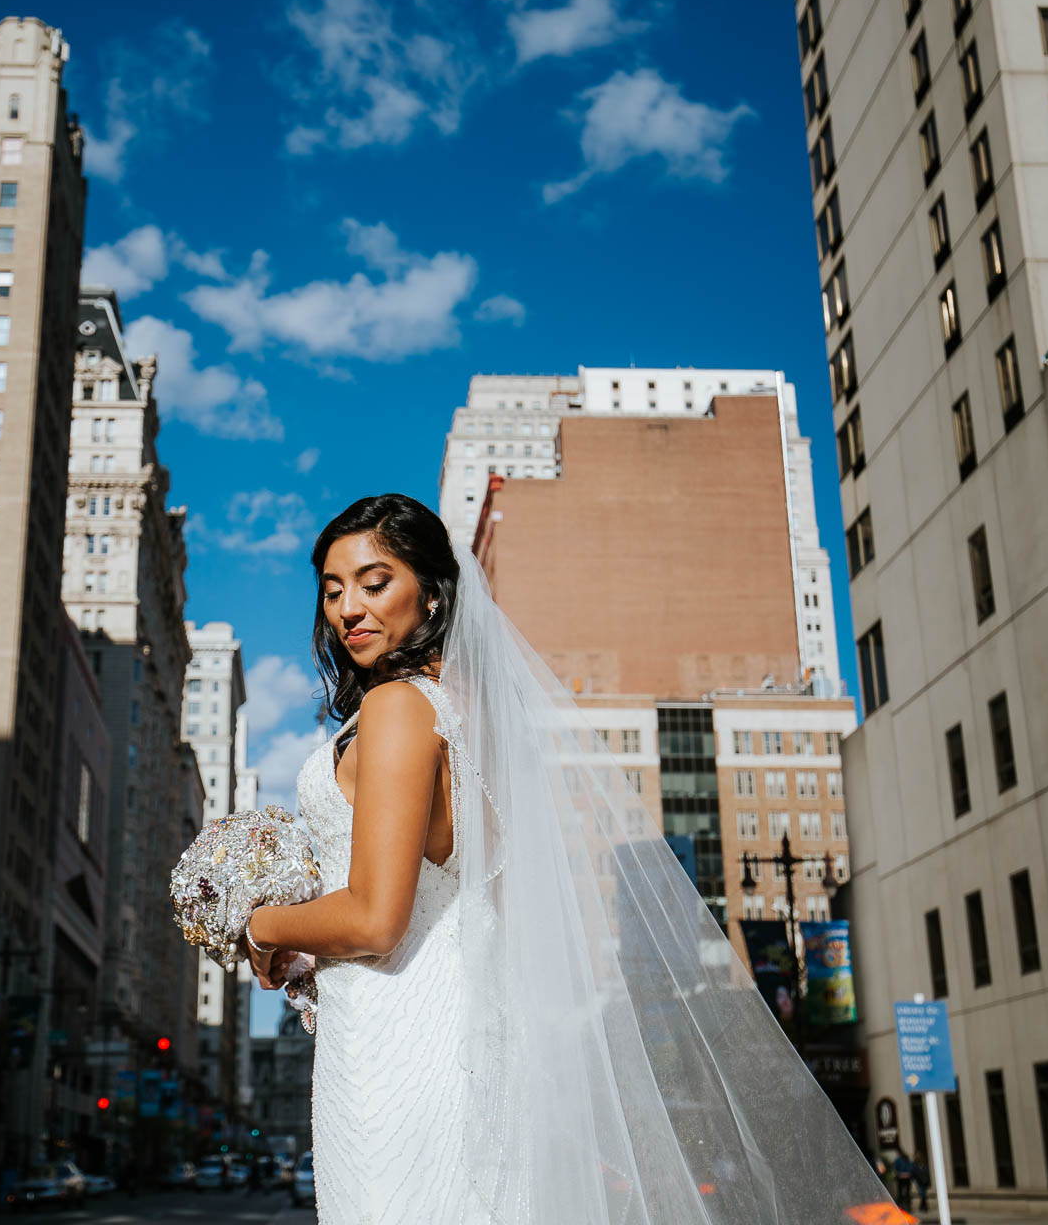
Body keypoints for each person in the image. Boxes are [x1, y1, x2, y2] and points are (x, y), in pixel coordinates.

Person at [236, 495, 897, 1224]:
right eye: (332, 591)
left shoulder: (398, 707)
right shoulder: (467, 714)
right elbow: (445, 899)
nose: (348, 609)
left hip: (396, 1046)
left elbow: (376, 918)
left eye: (374, 581)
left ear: (429, 591)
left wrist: (265, 925)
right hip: (461, 1034)